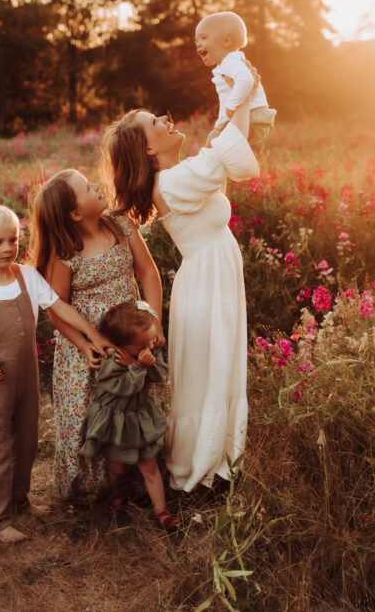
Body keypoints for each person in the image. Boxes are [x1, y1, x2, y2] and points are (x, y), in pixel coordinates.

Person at [101, 69, 261, 493]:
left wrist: (239, 94)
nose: (166, 120)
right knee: (210, 371)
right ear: (147, 150)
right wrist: (237, 89)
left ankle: (221, 460)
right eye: (154, 122)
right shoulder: (172, 182)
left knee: (220, 367)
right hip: (206, 284)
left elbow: (229, 145)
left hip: (216, 275)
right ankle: (201, 466)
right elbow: (228, 145)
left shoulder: (184, 171)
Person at [0, 203, 114, 543]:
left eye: (12, 239)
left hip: (27, 376)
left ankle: (20, 501)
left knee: (26, 442)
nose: (8, 248)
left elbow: (59, 307)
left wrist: (93, 335)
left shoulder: (27, 276)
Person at [29, 169, 163, 503]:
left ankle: (138, 479)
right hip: (88, 349)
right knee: (89, 412)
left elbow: (147, 271)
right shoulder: (65, 252)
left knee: (132, 404)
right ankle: (93, 488)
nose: (97, 186)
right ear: (74, 212)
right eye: (87, 188)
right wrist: (84, 345)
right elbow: (55, 308)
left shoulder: (121, 225)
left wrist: (155, 321)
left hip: (131, 334)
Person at [80, 300, 177, 532]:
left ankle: (162, 511)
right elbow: (125, 388)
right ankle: (118, 496)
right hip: (117, 422)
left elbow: (159, 374)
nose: (151, 346)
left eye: (152, 339)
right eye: (143, 344)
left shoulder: (147, 349)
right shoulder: (111, 359)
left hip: (139, 419)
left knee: (149, 467)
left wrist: (138, 361)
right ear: (120, 346)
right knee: (118, 469)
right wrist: (137, 367)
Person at [195, 11, 276, 150]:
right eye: (196, 41)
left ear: (227, 41)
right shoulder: (227, 63)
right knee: (216, 146)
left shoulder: (230, 61)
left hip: (253, 117)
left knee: (215, 145)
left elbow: (246, 80)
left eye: (204, 38)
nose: (198, 44)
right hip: (249, 117)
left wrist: (231, 108)